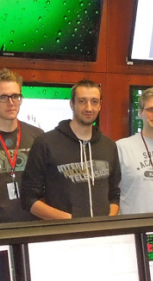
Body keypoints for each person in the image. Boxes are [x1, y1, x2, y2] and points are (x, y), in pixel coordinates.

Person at [22, 80, 120, 218]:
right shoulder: (46, 143)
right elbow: (29, 199)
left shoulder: (109, 146)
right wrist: (69, 221)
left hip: (103, 235)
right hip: (64, 234)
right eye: (82, 101)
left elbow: (114, 194)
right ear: (72, 104)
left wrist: (107, 221)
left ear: (100, 106)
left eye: (94, 102)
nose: (88, 108)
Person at [0, 69, 43, 224]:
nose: (11, 102)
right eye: (3, 97)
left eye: (15, 96)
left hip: (34, 223)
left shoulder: (38, 136)